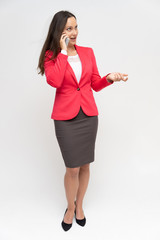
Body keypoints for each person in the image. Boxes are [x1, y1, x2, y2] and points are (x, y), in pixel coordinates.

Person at [37, 10, 128, 231]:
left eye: (76, 27)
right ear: (59, 31)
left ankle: (80, 206)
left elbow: (94, 84)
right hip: (65, 119)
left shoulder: (88, 52)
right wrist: (63, 53)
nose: (74, 32)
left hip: (88, 115)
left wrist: (109, 78)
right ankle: (70, 207)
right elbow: (55, 82)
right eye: (68, 28)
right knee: (72, 169)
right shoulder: (52, 56)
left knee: (85, 165)